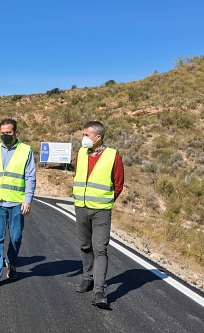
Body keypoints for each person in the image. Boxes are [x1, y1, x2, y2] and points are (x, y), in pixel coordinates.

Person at [0, 118, 36, 289]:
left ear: (15, 132)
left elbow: (30, 176)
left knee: (16, 237)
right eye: (2, 133)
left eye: (8, 133)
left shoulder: (26, 150)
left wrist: (28, 199)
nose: (5, 136)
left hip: (17, 202)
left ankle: (11, 263)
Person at [73, 120, 124, 308]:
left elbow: (118, 184)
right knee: (85, 246)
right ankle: (88, 278)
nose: (83, 138)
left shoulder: (113, 156)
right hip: (81, 207)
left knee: (100, 249)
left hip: (101, 210)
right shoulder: (81, 153)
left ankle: (100, 291)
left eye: (86, 135)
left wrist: (107, 201)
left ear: (98, 137)